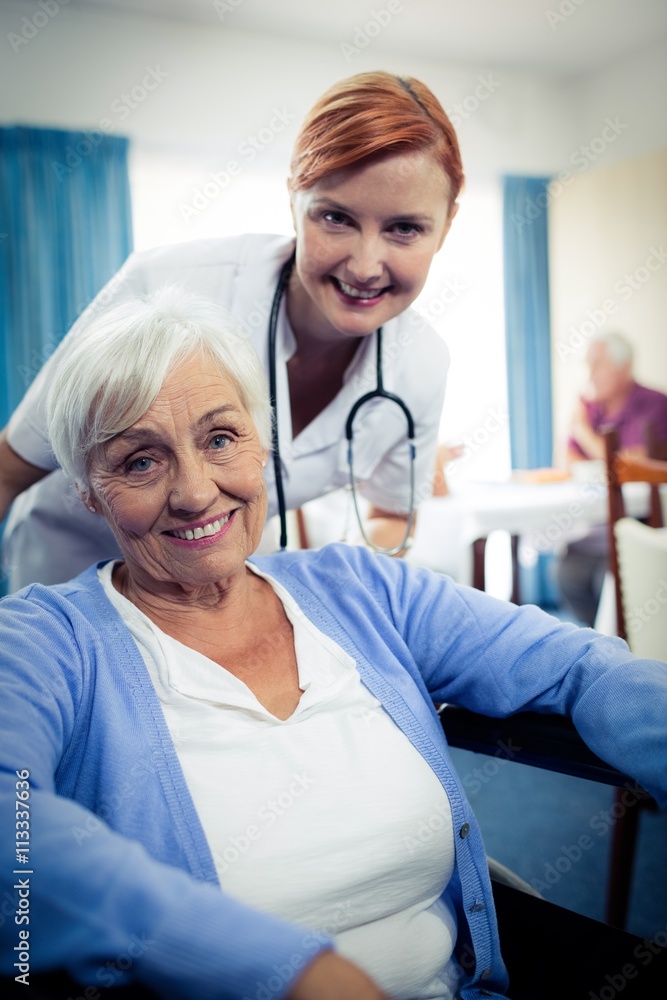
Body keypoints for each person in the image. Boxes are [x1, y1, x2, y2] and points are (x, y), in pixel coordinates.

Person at [1, 290, 666, 1000]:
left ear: (262, 444)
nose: (195, 492)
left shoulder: (361, 589)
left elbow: (577, 666)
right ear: (89, 492)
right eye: (139, 461)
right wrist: (290, 972)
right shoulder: (42, 641)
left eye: (220, 439)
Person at [0, 70, 462, 591]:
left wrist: (333, 588)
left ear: (446, 225)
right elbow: (7, 471)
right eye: (336, 218)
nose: (364, 266)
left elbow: (391, 517)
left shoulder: (423, 364)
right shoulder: (168, 284)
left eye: (405, 228)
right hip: (69, 574)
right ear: (294, 200)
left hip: (213, 588)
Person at [558, 331, 667, 626]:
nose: (589, 373)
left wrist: (583, 431)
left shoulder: (655, 404)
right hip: (594, 527)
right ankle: (600, 639)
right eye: (587, 364)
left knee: (606, 579)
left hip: (639, 524)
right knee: (566, 572)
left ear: (625, 368)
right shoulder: (592, 408)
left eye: (598, 364)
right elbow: (568, 464)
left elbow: (629, 467)